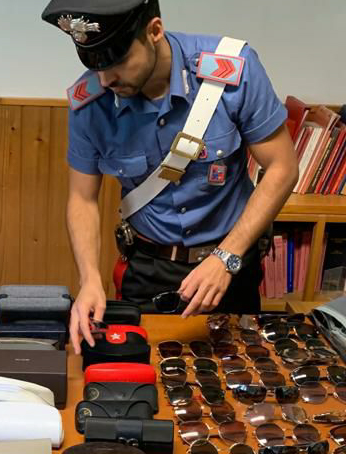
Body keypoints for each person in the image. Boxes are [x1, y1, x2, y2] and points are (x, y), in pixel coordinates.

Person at [42, 0, 299, 354]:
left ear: (154, 31)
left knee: (239, 374)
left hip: (230, 264)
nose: (105, 79)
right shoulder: (91, 103)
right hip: (149, 270)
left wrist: (226, 257)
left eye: (117, 61)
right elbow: (82, 199)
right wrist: (89, 280)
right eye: (94, 65)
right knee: (143, 372)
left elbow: (283, 168)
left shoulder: (232, 70)